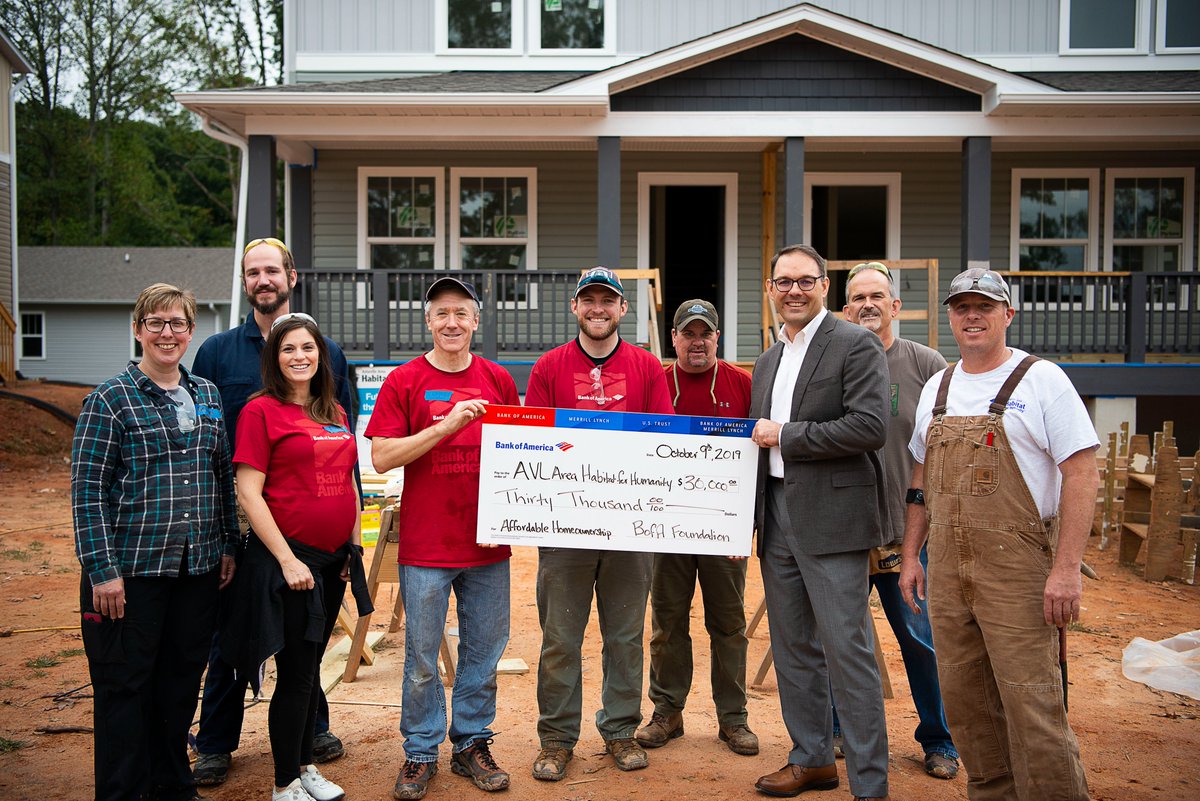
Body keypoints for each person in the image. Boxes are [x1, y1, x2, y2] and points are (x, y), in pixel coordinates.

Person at [899, 268, 1098, 800]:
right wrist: (912, 554)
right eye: (962, 307)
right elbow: (920, 477)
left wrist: (1065, 571)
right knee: (966, 703)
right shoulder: (937, 386)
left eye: (984, 307)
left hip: (1017, 569)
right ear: (951, 317)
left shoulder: (1042, 380)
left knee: (1032, 701)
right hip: (945, 567)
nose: (972, 316)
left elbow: (1082, 473)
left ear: (1007, 315)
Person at [192, 237, 355, 787]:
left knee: (304, 654)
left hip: (323, 542)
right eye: (253, 272)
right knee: (235, 641)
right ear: (245, 283)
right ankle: (216, 742)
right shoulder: (218, 353)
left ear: (290, 276)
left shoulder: (330, 371)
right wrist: (225, 536)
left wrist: (351, 540)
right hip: (249, 521)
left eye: (272, 270)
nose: (263, 279)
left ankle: (308, 744)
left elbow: (344, 455)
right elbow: (221, 456)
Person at [72, 283, 238, 801]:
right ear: (138, 329)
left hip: (197, 569)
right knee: (124, 688)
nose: (168, 333)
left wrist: (229, 543)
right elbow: (87, 492)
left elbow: (220, 475)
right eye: (156, 323)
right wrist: (102, 570)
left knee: (180, 681)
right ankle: (123, 791)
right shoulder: (109, 400)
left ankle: (172, 784)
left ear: (191, 331)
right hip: (131, 574)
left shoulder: (207, 394)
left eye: (178, 323)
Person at [365, 277, 519, 801]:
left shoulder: (498, 379)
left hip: (488, 545)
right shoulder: (404, 382)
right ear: (428, 322)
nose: (452, 323)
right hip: (427, 547)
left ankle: (472, 742)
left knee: (484, 653)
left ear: (477, 321)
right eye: (441, 314)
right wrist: (444, 427)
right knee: (422, 658)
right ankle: (420, 752)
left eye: (462, 313)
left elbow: (523, 455)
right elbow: (382, 457)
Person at [748, 245, 891, 801]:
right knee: (792, 648)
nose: (794, 292)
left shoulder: (853, 344)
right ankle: (811, 759)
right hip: (777, 516)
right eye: (784, 282)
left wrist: (786, 435)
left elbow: (869, 427)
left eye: (805, 281)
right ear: (770, 289)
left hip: (833, 518)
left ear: (824, 286)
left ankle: (869, 783)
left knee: (846, 650)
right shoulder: (767, 359)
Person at [525, 266, 674, 781]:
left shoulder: (647, 367)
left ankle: (619, 730)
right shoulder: (548, 367)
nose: (598, 308)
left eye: (607, 300)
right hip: (564, 530)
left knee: (625, 636)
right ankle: (557, 738)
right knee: (561, 637)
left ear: (622, 309)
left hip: (630, 530)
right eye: (588, 299)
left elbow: (665, 442)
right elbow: (535, 445)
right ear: (575, 308)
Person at [219, 313, 364, 801]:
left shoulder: (335, 413)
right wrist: (286, 560)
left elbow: (348, 483)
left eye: (308, 347)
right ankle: (285, 784)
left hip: (331, 561)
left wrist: (353, 548)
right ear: (274, 359)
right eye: (288, 349)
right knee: (299, 674)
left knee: (311, 670)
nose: (299, 356)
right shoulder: (261, 412)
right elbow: (248, 492)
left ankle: (304, 766)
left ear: (320, 355)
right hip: (291, 562)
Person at [839, 262, 959, 780]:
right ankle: (843, 733)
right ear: (845, 309)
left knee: (920, 639)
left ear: (895, 306)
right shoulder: (834, 360)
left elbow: (943, 447)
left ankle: (939, 739)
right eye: (857, 296)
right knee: (838, 642)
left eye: (877, 295)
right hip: (842, 531)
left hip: (904, 532)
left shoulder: (926, 365)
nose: (867, 304)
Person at [634, 299, 758, 757]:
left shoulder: (742, 384)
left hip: (724, 530)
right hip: (666, 527)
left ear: (718, 339)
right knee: (667, 622)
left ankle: (733, 718)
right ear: (674, 339)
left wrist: (747, 523)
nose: (697, 341)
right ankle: (666, 712)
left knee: (728, 624)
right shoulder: (656, 384)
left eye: (706, 333)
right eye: (689, 333)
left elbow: (759, 456)